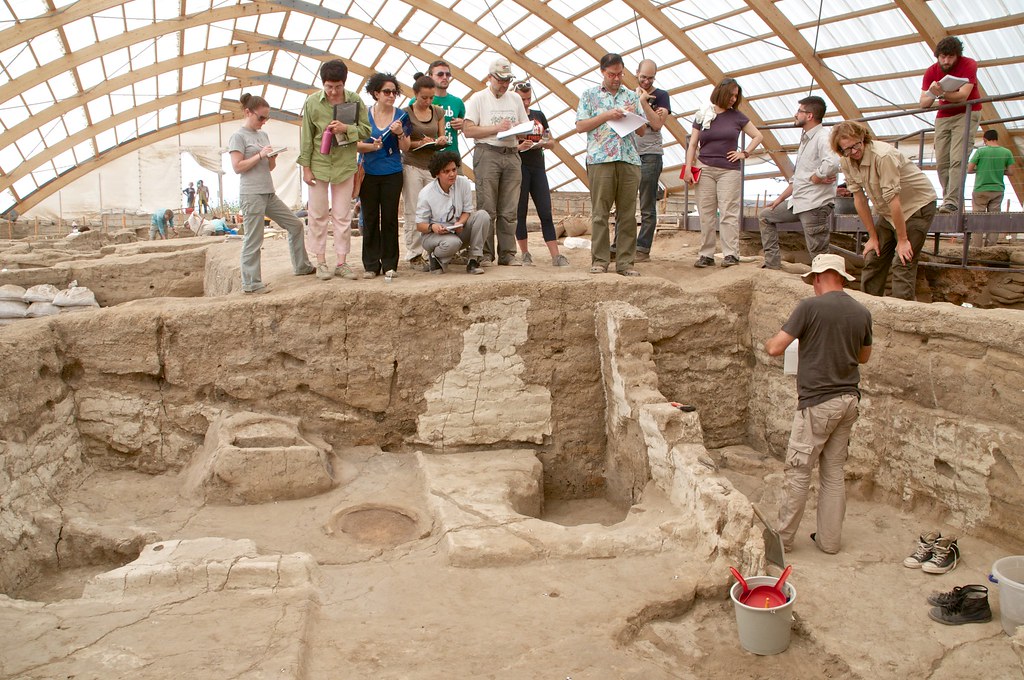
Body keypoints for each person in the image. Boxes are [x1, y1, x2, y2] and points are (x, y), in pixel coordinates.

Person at [765, 253, 872, 555]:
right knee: (833, 473)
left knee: (799, 470)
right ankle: (829, 542)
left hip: (818, 402)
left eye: (813, 280)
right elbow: (864, 357)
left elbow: (775, 348)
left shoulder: (809, 307)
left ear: (818, 277)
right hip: (849, 399)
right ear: (841, 278)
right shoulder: (862, 311)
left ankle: (783, 542)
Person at [831, 120, 936, 301]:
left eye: (856, 145)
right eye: (847, 149)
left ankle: (900, 314)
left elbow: (894, 200)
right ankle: (867, 307)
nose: (854, 152)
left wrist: (902, 240)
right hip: (887, 212)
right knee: (874, 257)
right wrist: (872, 236)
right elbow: (859, 199)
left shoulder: (883, 156)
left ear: (863, 138)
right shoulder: (846, 161)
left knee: (903, 261)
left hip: (915, 207)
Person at [228, 93, 315, 294]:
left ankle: (301, 266)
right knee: (253, 238)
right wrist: (260, 155)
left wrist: (272, 157)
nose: (264, 122)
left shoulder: (262, 135)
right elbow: (237, 167)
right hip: (251, 194)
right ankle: (251, 283)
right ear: (248, 112)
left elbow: (267, 168)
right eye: (261, 117)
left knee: (295, 225)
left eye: (267, 118)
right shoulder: (238, 137)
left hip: (268, 192)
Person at [298, 59, 371, 282]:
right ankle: (321, 262)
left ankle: (342, 262)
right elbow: (307, 137)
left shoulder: (355, 100)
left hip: (345, 165)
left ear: (344, 83)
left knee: (342, 215)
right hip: (319, 165)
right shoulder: (312, 102)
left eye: (337, 87)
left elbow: (366, 130)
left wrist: (346, 128)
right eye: (329, 86)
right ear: (323, 84)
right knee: (318, 215)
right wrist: (306, 168)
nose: (332, 91)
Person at [575, 53, 646, 276]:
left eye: (620, 74)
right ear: (602, 72)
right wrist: (606, 115)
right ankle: (600, 260)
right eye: (612, 74)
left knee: (627, 214)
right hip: (600, 159)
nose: (616, 78)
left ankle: (626, 263)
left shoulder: (632, 97)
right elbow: (580, 125)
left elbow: (643, 131)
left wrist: (633, 116)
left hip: (628, 159)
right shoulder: (589, 95)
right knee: (600, 213)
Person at [685, 77, 763, 268]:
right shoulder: (703, 114)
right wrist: (688, 167)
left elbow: (758, 135)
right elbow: (693, 144)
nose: (733, 99)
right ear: (721, 92)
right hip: (705, 167)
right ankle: (706, 254)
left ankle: (731, 254)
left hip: (729, 170)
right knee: (706, 213)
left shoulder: (737, 116)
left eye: (736, 96)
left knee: (729, 212)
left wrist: (744, 153)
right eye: (731, 94)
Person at [758, 96, 840, 270]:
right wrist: (780, 199)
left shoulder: (823, 137)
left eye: (799, 111)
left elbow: (832, 163)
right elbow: (798, 179)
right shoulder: (806, 139)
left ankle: (828, 288)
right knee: (765, 216)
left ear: (809, 115)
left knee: (818, 254)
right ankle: (773, 266)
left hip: (814, 204)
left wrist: (817, 176)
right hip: (799, 202)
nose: (795, 115)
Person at [463, 56, 530, 266]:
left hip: (511, 154)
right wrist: (496, 128)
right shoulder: (478, 99)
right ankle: (484, 253)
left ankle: (508, 253)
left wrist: (521, 130)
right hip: (487, 152)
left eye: (507, 80)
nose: (504, 84)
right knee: (487, 208)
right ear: (490, 77)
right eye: (500, 79)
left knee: (510, 209)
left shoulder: (516, 99)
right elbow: (468, 129)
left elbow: (525, 127)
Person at [357, 73, 410, 279]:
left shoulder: (401, 116)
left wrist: (399, 133)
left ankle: (390, 264)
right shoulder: (364, 115)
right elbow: (355, 143)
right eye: (386, 92)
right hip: (368, 172)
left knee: (389, 218)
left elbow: (405, 147)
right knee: (369, 217)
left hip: (392, 172)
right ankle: (371, 265)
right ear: (376, 93)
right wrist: (371, 146)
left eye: (394, 92)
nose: (391, 96)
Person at [920, 36, 982, 214]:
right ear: (937, 56)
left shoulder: (968, 64)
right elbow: (923, 102)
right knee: (942, 161)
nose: (946, 61)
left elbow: (963, 96)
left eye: (950, 57)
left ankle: (952, 201)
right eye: (942, 57)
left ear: (957, 56)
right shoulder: (931, 71)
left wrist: (942, 94)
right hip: (944, 115)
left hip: (967, 111)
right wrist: (934, 93)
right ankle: (949, 198)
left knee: (958, 158)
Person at [512, 80, 569, 267]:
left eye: (528, 98)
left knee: (545, 211)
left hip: (537, 166)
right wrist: (519, 147)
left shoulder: (538, 116)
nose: (526, 103)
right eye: (522, 99)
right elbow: (506, 144)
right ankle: (525, 253)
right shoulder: (512, 117)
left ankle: (556, 255)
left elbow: (551, 141)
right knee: (520, 212)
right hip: (520, 166)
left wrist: (542, 143)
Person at [402, 74, 449, 270]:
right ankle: (413, 253)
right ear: (415, 95)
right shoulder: (405, 113)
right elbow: (403, 144)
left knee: (434, 210)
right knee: (413, 208)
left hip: (431, 166)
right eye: (424, 98)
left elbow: (442, 136)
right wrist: (418, 143)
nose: (428, 101)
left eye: (431, 98)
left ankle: (430, 250)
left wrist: (440, 141)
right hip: (412, 164)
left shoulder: (437, 112)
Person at [416, 151, 487, 276]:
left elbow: (467, 211)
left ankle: (473, 260)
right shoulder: (426, 193)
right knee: (452, 243)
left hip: (457, 230)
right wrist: (433, 227)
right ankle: (435, 256)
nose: (452, 174)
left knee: (483, 216)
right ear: (437, 173)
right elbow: (419, 225)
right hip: (434, 235)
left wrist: (460, 223)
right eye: (446, 171)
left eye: (454, 169)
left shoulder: (463, 183)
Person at [634, 59, 671, 262]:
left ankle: (642, 248)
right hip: (631, 153)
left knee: (647, 204)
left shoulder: (662, 96)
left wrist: (643, 103)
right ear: (636, 73)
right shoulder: (627, 94)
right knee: (625, 204)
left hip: (651, 154)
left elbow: (657, 124)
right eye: (643, 77)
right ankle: (622, 245)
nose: (646, 81)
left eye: (650, 78)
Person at [969, 129, 1015, 213]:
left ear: (984, 140)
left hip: (981, 189)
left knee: (977, 217)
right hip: (998, 189)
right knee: (994, 217)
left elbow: (969, 169)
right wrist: (999, 171)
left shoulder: (980, 151)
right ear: (996, 139)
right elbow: (1011, 172)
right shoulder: (1007, 152)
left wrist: (980, 169)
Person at [429, 60, 465, 157]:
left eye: (447, 74)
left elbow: (467, 128)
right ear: (430, 77)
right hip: (429, 157)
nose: (445, 77)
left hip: (452, 156)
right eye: (440, 74)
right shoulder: (418, 101)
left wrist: (463, 124)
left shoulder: (457, 102)